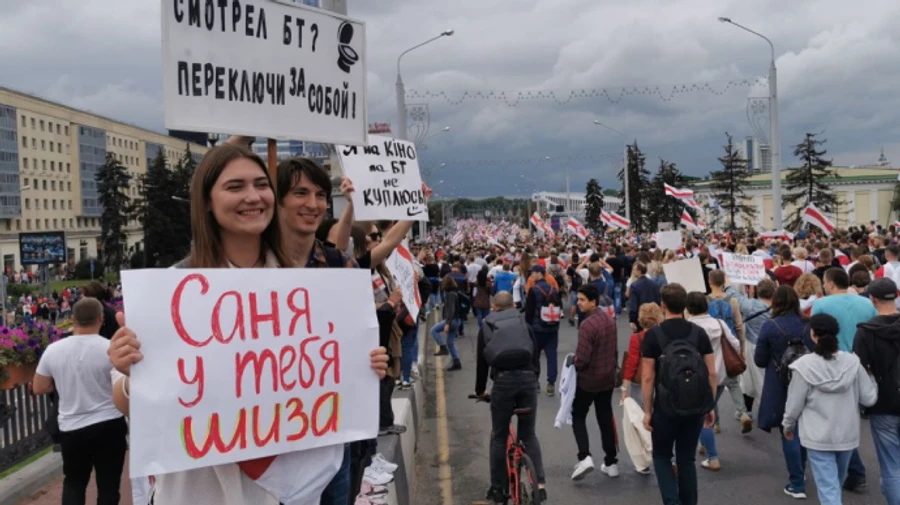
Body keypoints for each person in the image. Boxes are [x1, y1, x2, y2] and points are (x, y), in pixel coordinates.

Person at [106, 144, 390, 505]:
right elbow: (126, 403)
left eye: (261, 184)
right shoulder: (174, 289)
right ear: (207, 200)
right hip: (202, 490)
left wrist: (362, 367)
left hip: (291, 491)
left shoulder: (306, 289)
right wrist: (129, 369)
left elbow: (320, 379)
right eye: (235, 186)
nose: (252, 197)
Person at [33, 297, 128, 505]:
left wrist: (60, 384)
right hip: (109, 422)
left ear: (73, 319)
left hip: (72, 426)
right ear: (101, 318)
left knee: (74, 482)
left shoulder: (54, 350)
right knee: (109, 484)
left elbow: (39, 387)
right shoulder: (110, 349)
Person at [783, 313, 877, 505]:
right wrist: (873, 379)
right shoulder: (853, 363)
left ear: (812, 334)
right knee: (835, 483)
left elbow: (794, 404)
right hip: (847, 434)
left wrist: (788, 425)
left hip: (817, 436)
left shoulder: (803, 367)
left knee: (829, 488)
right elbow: (869, 398)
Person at [640, 283, 717, 505]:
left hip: (666, 406)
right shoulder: (698, 333)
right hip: (694, 405)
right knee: (687, 459)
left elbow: (647, 377)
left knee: (662, 456)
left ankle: (671, 501)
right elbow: (711, 372)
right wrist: (708, 405)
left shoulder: (654, 335)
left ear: (663, 305)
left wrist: (647, 410)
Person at [474, 292, 547, 504]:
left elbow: (482, 363)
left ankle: (498, 490)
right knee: (528, 434)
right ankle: (540, 483)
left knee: (499, 436)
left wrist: (480, 390)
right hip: (528, 381)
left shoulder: (487, 325)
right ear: (513, 306)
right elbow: (534, 354)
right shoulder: (523, 322)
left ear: (494, 307)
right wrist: (534, 379)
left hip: (503, 383)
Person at [811, 267, 877, 491]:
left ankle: (855, 473)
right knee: (848, 419)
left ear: (830, 283)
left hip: (832, 365)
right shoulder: (866, 304)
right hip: (861, 365)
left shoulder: (821, 305)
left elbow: (815, 335)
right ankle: (855, 473)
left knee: (837, 421)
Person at [755, 286, 813, 499]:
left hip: (780, 383)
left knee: (788, 430)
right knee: (802, 429)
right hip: (806, 380)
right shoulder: (808, 323)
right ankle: (802, 471)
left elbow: (759, 359)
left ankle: (797, 482)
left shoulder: (770, 326)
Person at [853, 277, 900, 505]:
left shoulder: (866, 332)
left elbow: (858, 368)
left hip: (884, 402)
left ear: (872, 299)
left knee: (891, 464)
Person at [685, 291, 741, 471]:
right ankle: (705, 443)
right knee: (707, 412)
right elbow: (736, 344)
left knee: (703, 417)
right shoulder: (720, 323)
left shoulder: (688, 327)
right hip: (721, 375)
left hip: (698, 377)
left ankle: (713, 456)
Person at [570, 285, 620, 480]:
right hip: (607, 377)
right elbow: (614, 349)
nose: (578, 303)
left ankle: (585, 456)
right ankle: (611, 461)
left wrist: (574, 363)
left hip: (588, 380)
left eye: (582, 300)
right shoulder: (608, 320)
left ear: (593, 301)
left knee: (578, 415)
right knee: (605, 417)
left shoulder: (587, 325)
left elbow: (582, 358)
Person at [524, 265, 562, 397]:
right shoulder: (553, 289)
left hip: (537, 327)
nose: (531, 276)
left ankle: (536, 382)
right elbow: (559, 306)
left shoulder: (534, 290)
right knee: (552, 356)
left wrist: (527, 326)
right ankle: (551, 383)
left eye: (533, 273)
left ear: (538, 274)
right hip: (552, 327)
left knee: (535, 356)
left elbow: (529, 311)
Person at [621, 302, 665, 409]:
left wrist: (625, 389)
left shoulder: (636, 338)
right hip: (661, 381)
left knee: (640, 415)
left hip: (640, 381)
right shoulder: (664, 336)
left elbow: (631, 363)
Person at [432, 275, 463, 369]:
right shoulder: (454, 293)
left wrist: (447, 323)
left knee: (433, 330)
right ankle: (456, 362)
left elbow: (451, 310)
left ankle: (442, 347)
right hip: (457, 320)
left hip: (452, 320)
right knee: (450, 342)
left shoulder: (449, 294)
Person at [628, 262, 661, 332]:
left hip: (641, 317)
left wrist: (632, 320)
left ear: (639, 271)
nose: (633, 272)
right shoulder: (655, 284)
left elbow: (633, 305)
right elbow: (658, 300)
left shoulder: (634, 285)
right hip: (653, 316)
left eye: (634, 270)